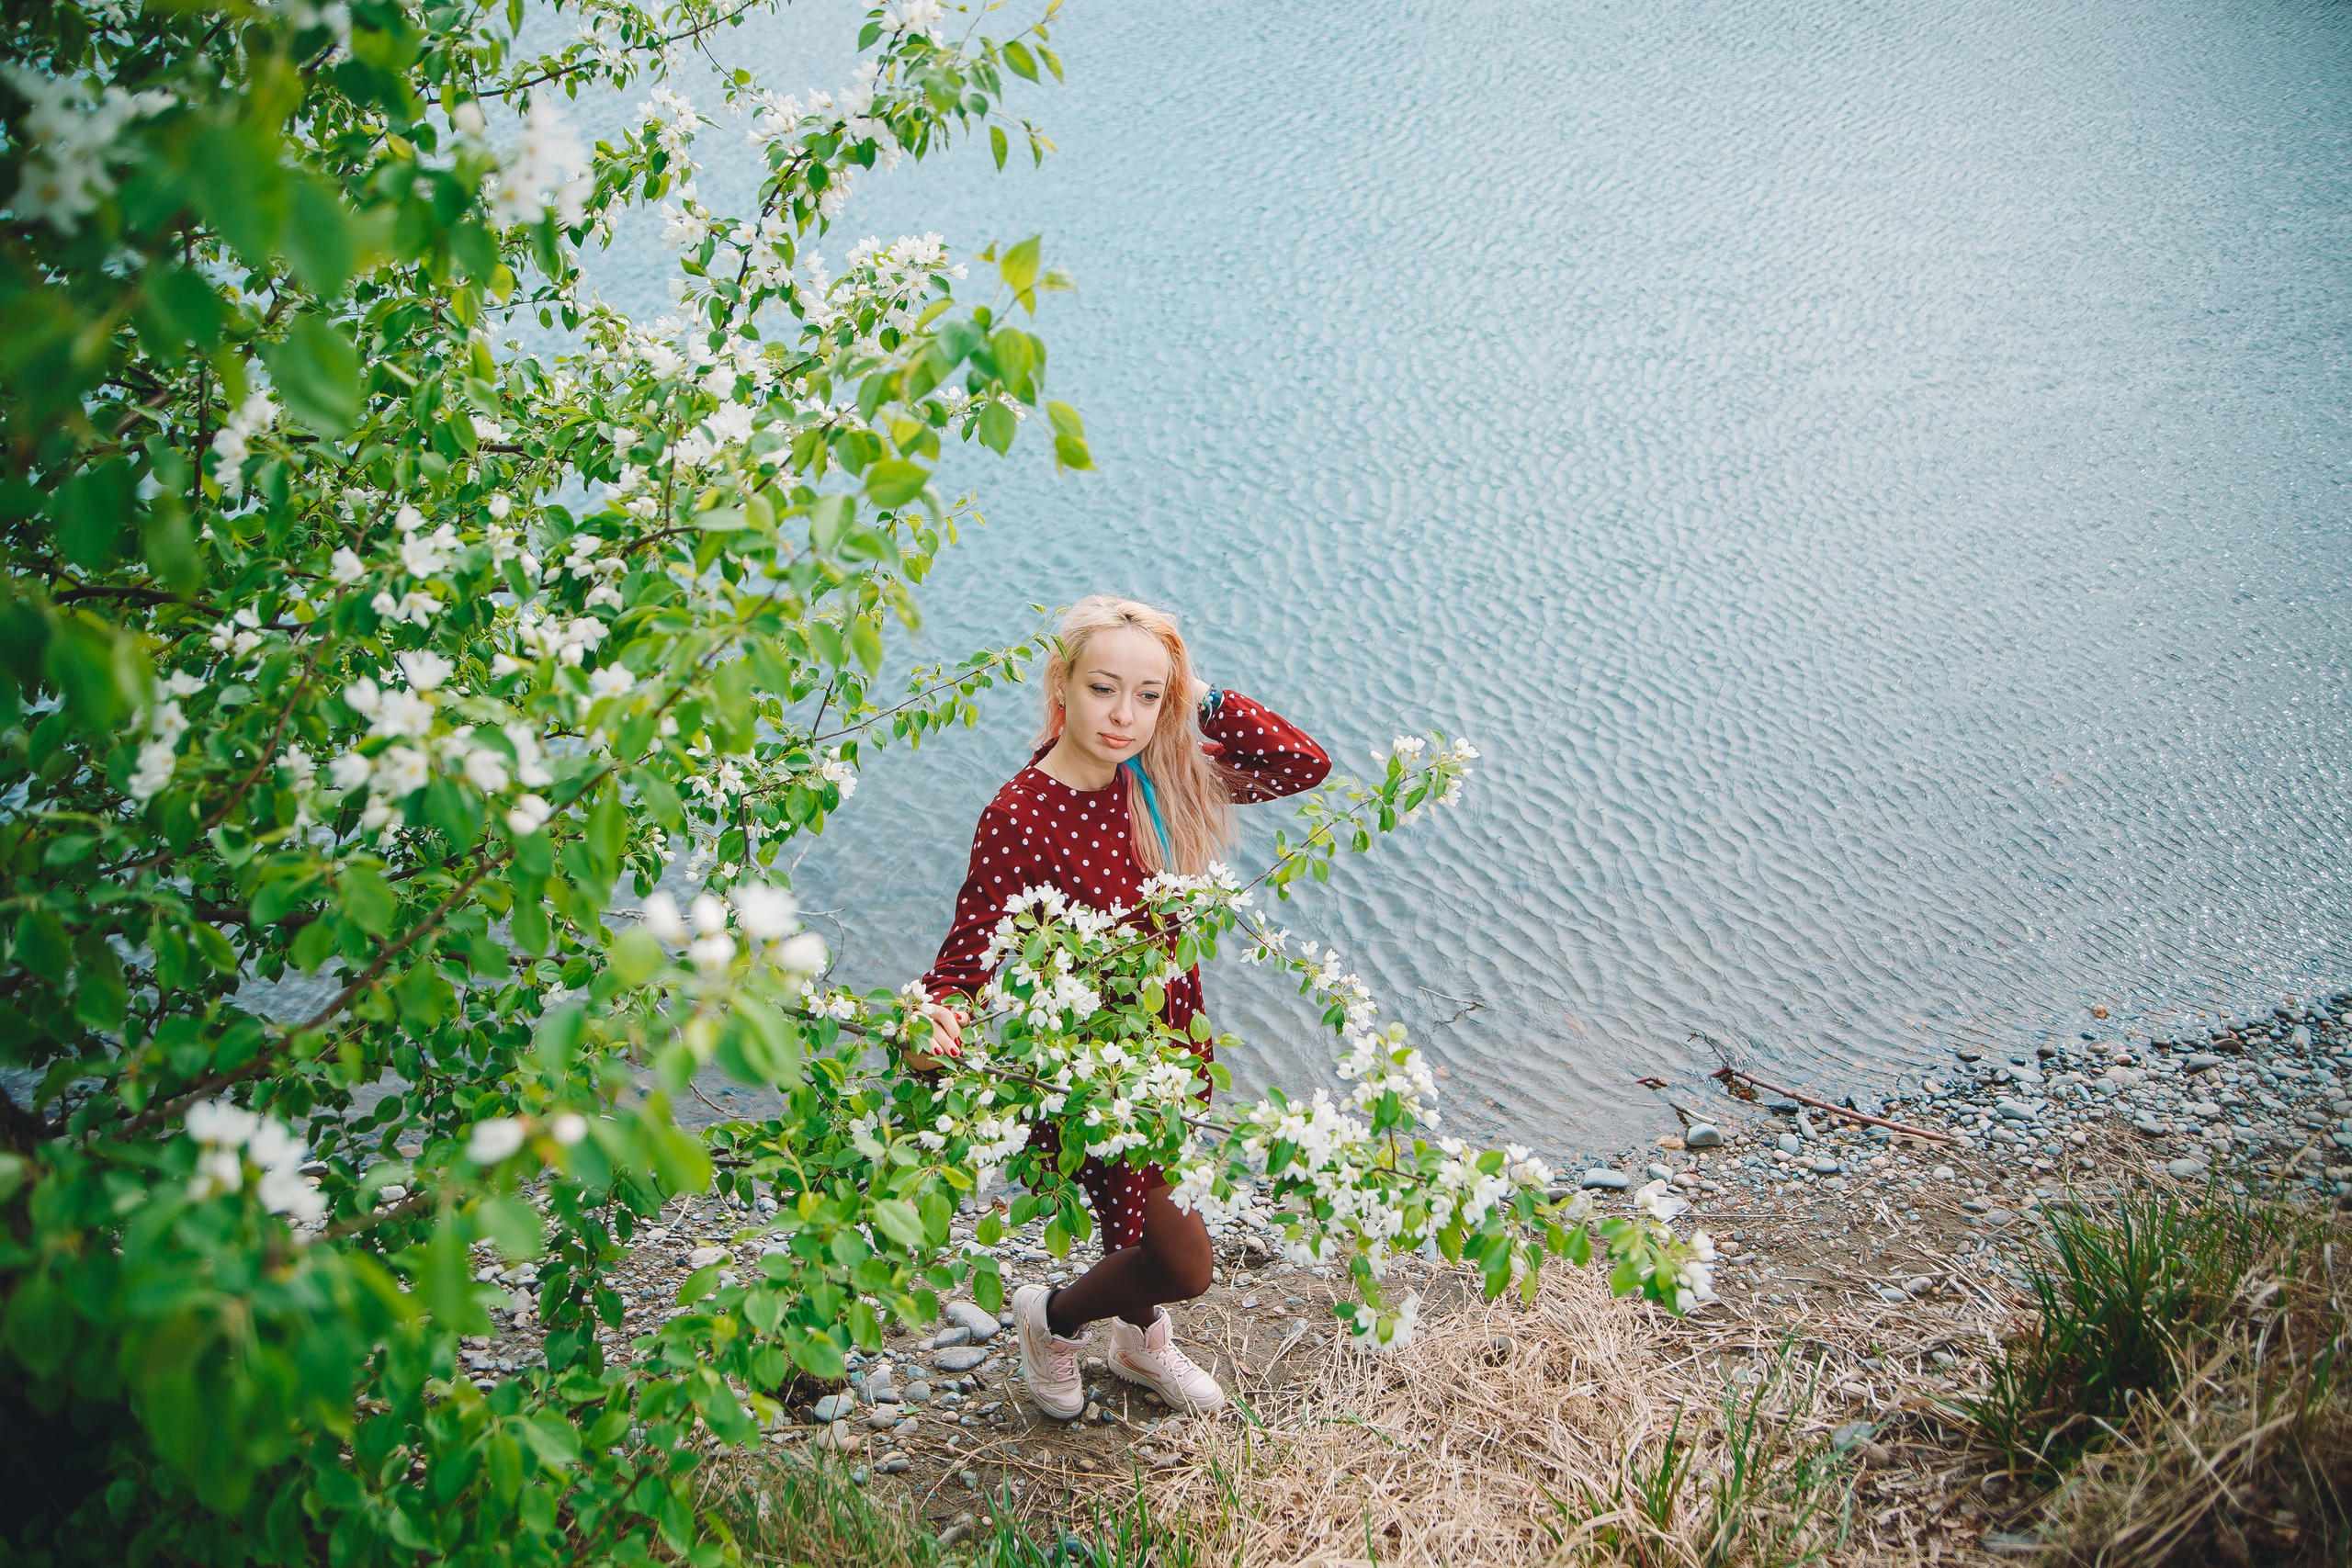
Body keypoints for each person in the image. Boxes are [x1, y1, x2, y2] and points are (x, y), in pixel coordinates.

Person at [908, 595, 1330, 1418]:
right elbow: (964, 961)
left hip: (1178, 1050)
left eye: (1148, 696)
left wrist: (1194, 693)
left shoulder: (1159, 777)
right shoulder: (1020, 815)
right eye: (1104, 688)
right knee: (1183, 1262)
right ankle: (1051, 1319)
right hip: (1090, 1072)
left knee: (1133, 1230)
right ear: (1061, 683)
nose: (1124, 715)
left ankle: (1137, 1344)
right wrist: (933, 1022)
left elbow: (1301, 765)